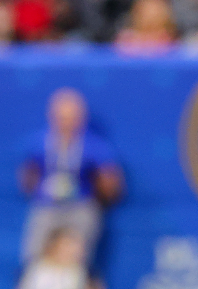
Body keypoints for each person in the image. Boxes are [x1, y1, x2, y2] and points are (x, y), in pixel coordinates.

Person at [18, 88, 123, 266]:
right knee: (32, 252)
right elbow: (27, 172)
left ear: (81, 118)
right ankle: (32, 285)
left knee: (79, 255)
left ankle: (79, 285)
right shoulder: (39, 142)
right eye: (61, 117)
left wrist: (103, 191)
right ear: (51, 117)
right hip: (47, 203)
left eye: (71, 117)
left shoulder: (94, 145)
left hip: (80, 204)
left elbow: (110, 179)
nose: (66, 123)